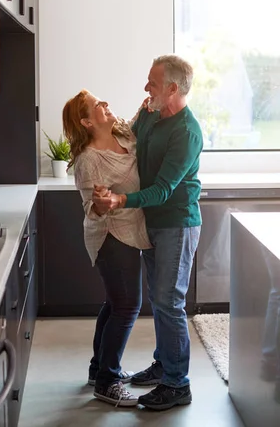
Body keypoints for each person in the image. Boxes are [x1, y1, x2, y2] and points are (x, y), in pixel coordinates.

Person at [93, 54, 203, 411]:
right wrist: (136, 117)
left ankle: (177, 384)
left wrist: (122, 199)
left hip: (177, 222)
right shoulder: (154, 117)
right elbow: (130, 143)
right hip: (152, 223)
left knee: (169, 302)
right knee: (159, 300)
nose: (146, 87)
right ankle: (164, 364)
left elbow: (162, 190)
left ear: (173, 88)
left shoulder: (186, 131)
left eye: (152, 83)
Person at [62, 89, 151, 407]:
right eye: (98, 105)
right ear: (86, 121)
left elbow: (137, 121)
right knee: (127, 307)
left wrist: (146, 107)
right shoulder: (89, 160)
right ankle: (107, 381)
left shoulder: (122, 132)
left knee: (115, 303)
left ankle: (98, 369)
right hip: (111, 236)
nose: (106, 105)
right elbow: (91, 208)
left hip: (130, 229)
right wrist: (101, 205)